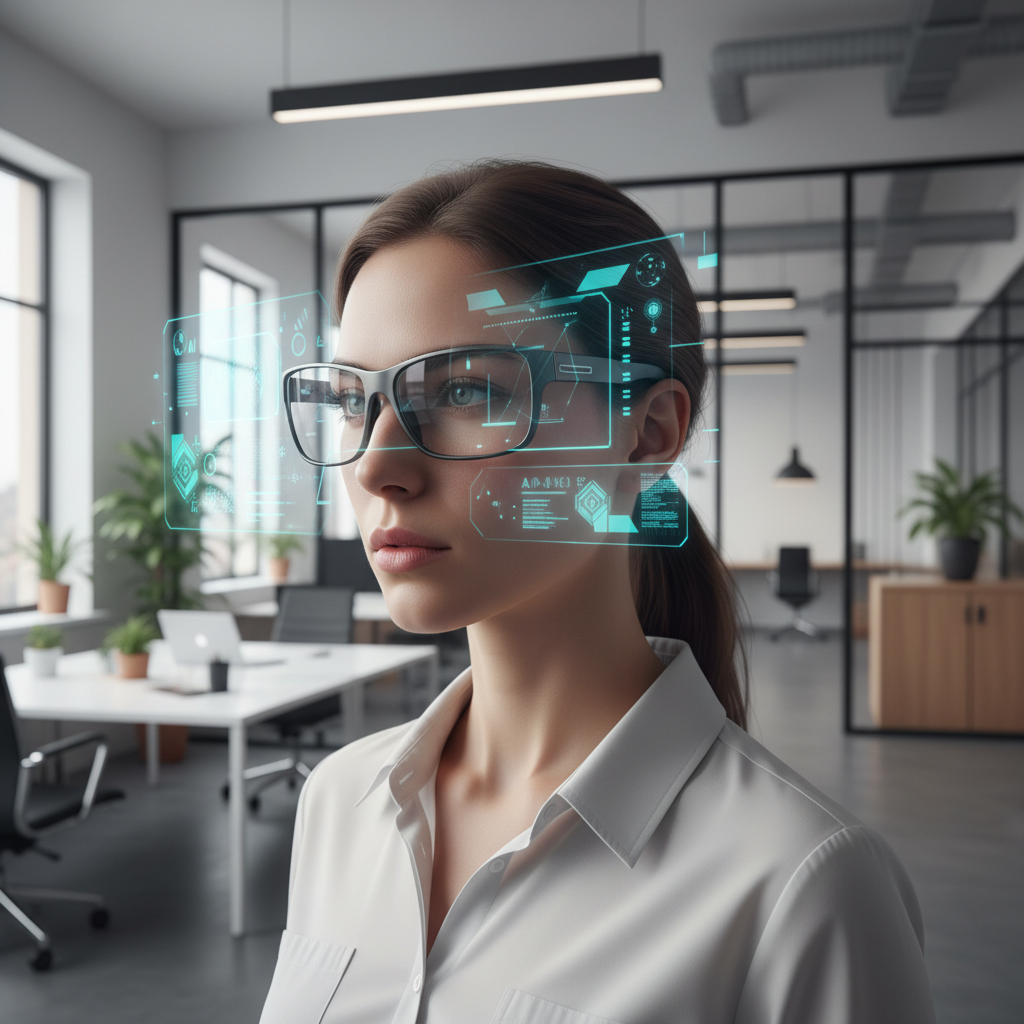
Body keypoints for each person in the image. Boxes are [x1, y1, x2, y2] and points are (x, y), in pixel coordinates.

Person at [260, 162, 934, 1024]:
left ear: (650, 433)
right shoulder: (338, 801)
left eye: (466, 390)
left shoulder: (802, 885)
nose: (378, 464)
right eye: (355, 402)